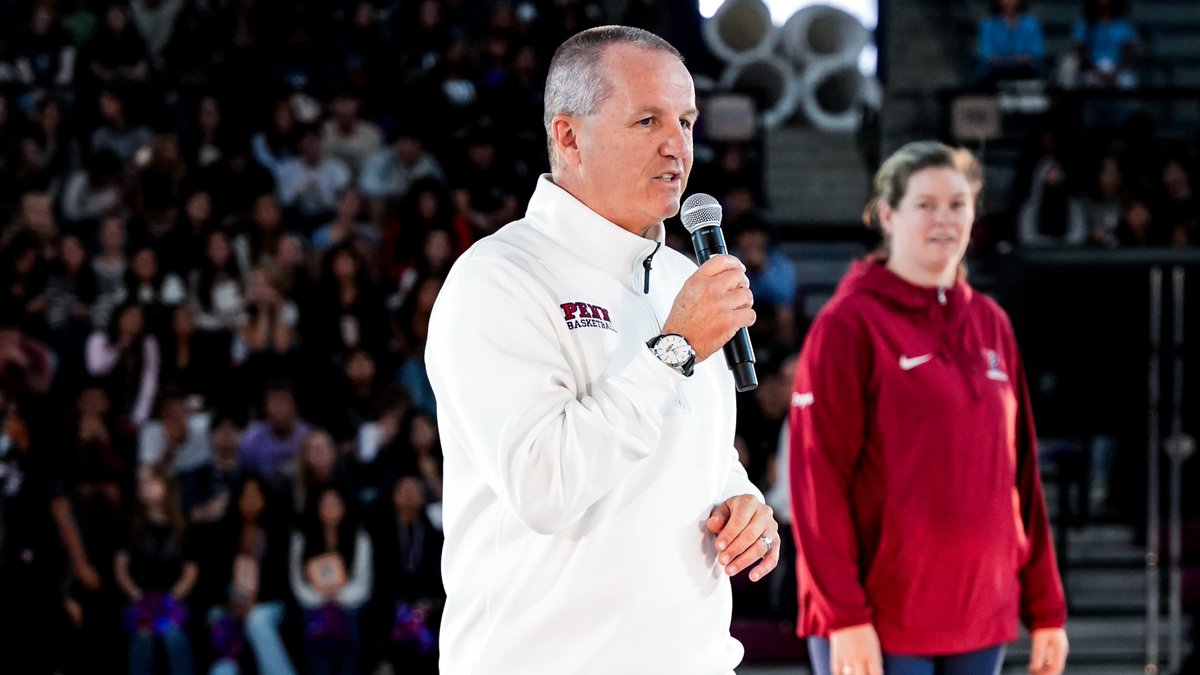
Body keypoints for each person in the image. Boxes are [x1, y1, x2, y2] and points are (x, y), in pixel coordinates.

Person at [425, 25, 778, 674]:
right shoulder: (498, 279)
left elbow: (701, 449)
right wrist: (674, 348)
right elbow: (545, 486)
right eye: (648, 120)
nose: (679, 147)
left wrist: (743, 500)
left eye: (688, 121)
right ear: (568, 136)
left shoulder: (681, 280)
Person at [788, 141, 1069, 675]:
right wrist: (843, 616)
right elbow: (816, 483)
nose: (945, 219)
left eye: (958, 204)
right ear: (888, 215)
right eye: (926, 205)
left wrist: (1047, 607)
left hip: (980, 616)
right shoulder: (848, 325)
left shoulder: (991, 323)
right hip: (879, 622)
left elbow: (1023, 478)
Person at [975, 0, 1045, 85]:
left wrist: (1024, 58)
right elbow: (985, 52)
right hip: (995, 71)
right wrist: (996, 59)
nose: (1009, 1)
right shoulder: (988, 24)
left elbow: (1037, 51)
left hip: (1024, 70)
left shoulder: (1032, 23)